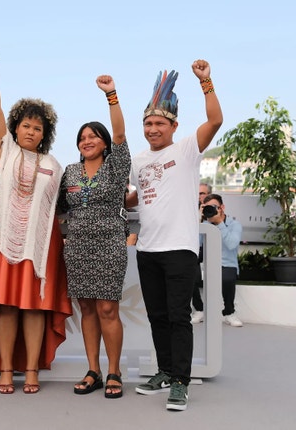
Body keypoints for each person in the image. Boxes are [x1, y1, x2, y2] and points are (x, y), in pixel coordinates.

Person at [0, 49, 72, 394]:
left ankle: (32, 369)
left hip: (40, 247)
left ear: (44, 134)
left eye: (38, 127)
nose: (31, 130)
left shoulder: (53, 165)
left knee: (36, 306)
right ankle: (7, 369)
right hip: (2, 242)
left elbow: (66, 203)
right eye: (26, 124)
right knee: (7, 304)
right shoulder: (3, 150)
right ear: (16, 127)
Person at [127, 61, 223, 411]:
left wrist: (206, 83)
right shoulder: (138, 160)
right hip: (148, 249)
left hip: (180, 250)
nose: (152, 129)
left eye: (159, 124)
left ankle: (181, 381)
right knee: (158, 317)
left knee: (179, 317)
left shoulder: (185, 150)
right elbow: (136, 195)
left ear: (173, 126)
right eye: (148, 123)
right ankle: (165, 371)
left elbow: (215, 121)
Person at [58, 75, 131, 399]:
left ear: (104, 142)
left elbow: (120, 133)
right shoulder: (70, 172)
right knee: (87, 309)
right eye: (82, 138)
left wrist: (111, 95)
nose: (87, 141)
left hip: (110, 243)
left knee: (107, 309)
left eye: (93, 136)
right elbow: (58, 207)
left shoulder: (117, 166)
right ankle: (93, 370)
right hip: (77, 247)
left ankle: (114, 371)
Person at [201, 194, 243, 327]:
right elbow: (195, 245)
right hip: (207, 264)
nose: (211, 210)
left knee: (227, 278)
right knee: (188, 274)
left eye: (214, 207)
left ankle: (229, 312)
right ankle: (198, 310)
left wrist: (219, 223)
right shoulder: (204, 224)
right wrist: (198, 219)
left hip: (227, 264)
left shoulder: (234, 225)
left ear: (222, 207)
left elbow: (231, 244)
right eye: (207, 207)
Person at [191, 182, 212, 324]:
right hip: (194, 252)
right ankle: (199, 308)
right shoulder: (190, 209)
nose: (200, 196)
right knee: (190, 274)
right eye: (198, 193)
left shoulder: (212, 210)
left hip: (211, 251)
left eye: (202, 193)